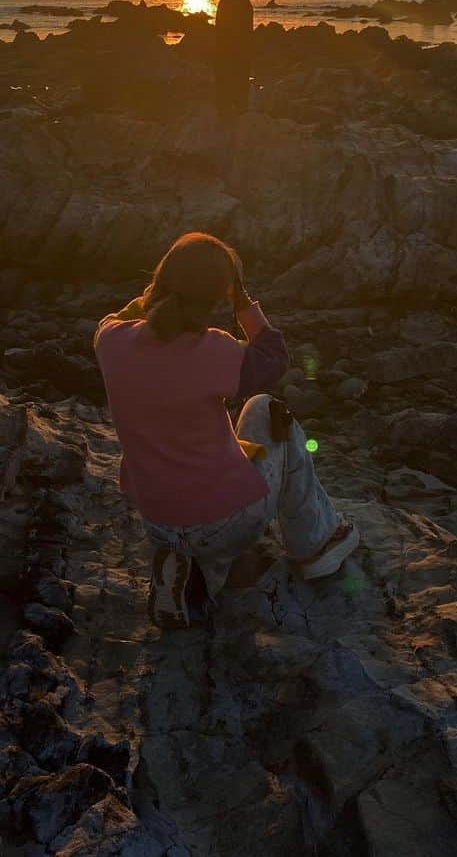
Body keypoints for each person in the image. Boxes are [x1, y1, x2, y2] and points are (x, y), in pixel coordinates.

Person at [94, 231, 359, 629]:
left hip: (159, 520)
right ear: (219, 295)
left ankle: (192, 580)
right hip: (220, 522)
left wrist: (154, 296)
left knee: (201, 443)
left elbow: (119, 317)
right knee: (267, 410)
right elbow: (273, 356)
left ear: (162, 277)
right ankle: (318, 544)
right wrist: (244, 304)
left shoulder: (111, 342)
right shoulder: (213, 350)